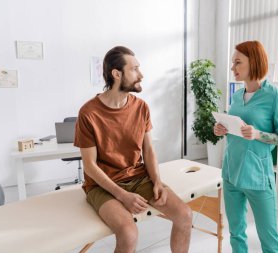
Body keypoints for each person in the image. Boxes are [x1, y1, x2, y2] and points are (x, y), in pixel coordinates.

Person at [74, 46, 192, 253]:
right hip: (102, 186)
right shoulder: (88, 113)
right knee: (129, 233)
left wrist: (157, 182)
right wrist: (122, 195)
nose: (141, 74)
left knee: (185, 215)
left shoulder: (141, 107)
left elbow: (149, 151)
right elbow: (90, 166)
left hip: (138, 177)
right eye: (135, 69)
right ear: (117, 74)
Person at [214, 41, 278, 253]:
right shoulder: (237, 96)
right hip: (231, 173)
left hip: (258, 178)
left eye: (238, 62)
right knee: (236, 233)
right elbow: (235, 127)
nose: (233, 68)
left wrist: (258, 134)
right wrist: (222, 128)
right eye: (233, 62)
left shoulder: (275, 97)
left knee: (270, 239)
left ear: (254, 62)